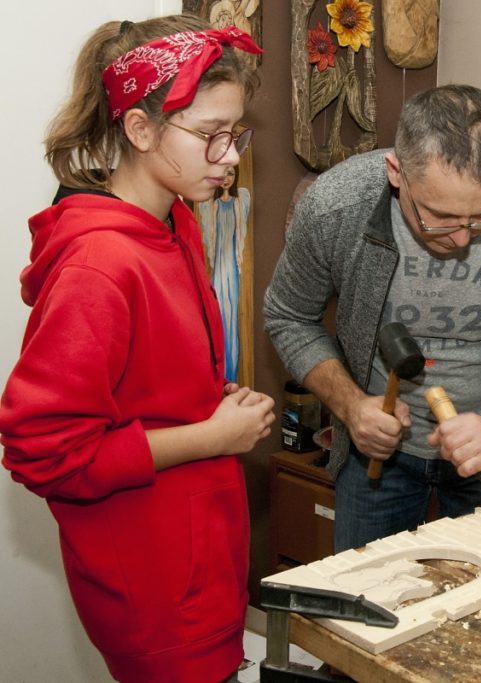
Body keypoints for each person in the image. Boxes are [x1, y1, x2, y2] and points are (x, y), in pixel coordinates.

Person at [0, 16, 274, 683]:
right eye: (210, 135)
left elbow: (150, 385)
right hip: (157, 594)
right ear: (141, 129)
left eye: (236, 133)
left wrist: (209, 402)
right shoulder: (100, 266)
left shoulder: (176, 221)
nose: (230, 157)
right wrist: (212, 435)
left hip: (200, 565)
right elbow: (44, 451)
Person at [264, 84, 481, 552]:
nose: (462, 240)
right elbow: (288, 315)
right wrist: (351, 406)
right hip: (378, 460)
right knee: (368, 592)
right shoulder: (337, 205)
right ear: (396, 172)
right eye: (441, 218)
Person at [198, 165, 251, 382]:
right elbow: (209, 236)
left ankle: (232, 373)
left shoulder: (241, 201)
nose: (227, 178)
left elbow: (240, 234)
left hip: (233, 266)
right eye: (223, 174)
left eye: (231, 173)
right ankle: (220, 373)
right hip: (219, 265)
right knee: (219, 312)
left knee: (232, 317)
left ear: (236, 176)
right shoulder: (211, 205)